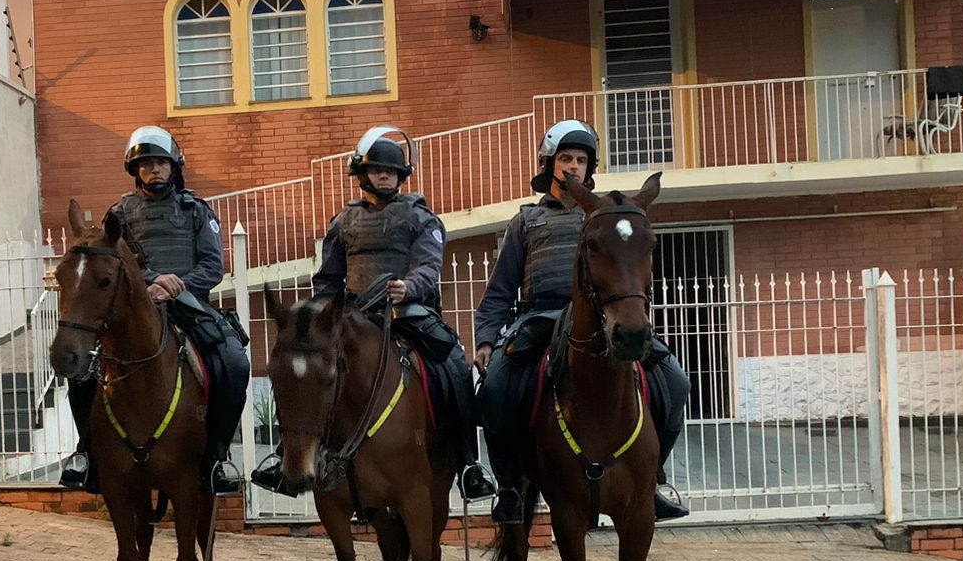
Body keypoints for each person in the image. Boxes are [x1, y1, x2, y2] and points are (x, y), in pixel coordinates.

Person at [251, 125, 496, 502]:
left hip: (410, 312)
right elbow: (328, 278)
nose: (385, 175)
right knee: (309, 369)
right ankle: (290, 457)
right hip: (354, 316)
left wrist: (407, 287)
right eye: (378, 169)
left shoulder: (422, 218)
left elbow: (429, 268)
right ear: (362, 174)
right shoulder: (342, 222)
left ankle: (467, 463)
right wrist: (321, 313)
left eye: (392, 170)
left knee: (452, 365)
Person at [473, 119, 690, 524]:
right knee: (497, 388)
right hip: (540, 316)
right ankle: (508, 487)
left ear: (591, 168)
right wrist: (487, 339)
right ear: (549, 164)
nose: (573, 166)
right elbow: (501, 288)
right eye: (565, 158)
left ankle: (652, 480)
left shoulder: (605, 215)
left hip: (599, 317)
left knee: (675, 382)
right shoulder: (526, 222)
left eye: (581, 160)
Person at [57, 126, 250, 497]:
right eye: (146, 164)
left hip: (189, 304)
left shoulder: (196, 210)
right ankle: (86, 453)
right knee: (83, 367)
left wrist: (178, 283)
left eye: (160, 162)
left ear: (174, 166)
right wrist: (149, 283)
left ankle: (217, 456)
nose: (154, 170)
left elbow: (213, 264)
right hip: (134, 304)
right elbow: (109, 263)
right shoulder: (119, 214)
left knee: (234, 361)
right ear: (135, 170)